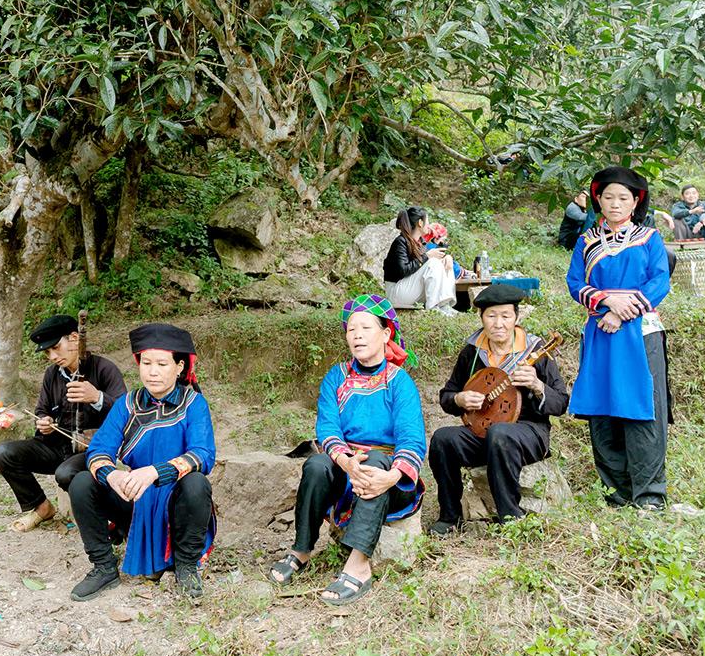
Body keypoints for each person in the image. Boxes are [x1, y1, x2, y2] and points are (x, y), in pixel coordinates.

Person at [267, 295, 425, 606]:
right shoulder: (336, 377)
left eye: (366, 327)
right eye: (351, 329)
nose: (357, 335)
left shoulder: (399, 382)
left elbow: (412, 439)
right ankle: (301, 549)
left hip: (390, 476)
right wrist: (344, 460)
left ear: (385, 334)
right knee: (315, 465)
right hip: (347, 465)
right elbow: (327, 428)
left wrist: (391, 476)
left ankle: (359, 564)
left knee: (376, 463)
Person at [68, 323, 216, 601]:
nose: (153, 371)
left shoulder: (194, 404)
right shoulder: (127, 403)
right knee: (82, 482)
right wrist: (112, 475)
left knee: (197, 483)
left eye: (162, 363)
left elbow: (203, 455)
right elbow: (99, 449)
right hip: (136, 500)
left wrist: (154, 472)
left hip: (177, 504)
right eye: (146, 363)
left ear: (179, 367)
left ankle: (186, 565)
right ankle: (104, 567)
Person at [566, 166, 672, 511]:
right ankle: (617, 490)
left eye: (623, 198)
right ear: (598, 199)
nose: (614, 203)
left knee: (642, 407)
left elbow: (659, 281)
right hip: (600, 331)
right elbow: (574, 282)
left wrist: (621, 311)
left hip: (639, 331)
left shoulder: (649, 238)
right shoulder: (586, 241)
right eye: (608, 196)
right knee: (603, 406)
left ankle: (650, 493)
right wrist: (605, 302)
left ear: (635, 202)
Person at [427, 284, 570, 535]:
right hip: (484, 432)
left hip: (528, 432)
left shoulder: (536, 351)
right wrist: (460, 399)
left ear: (516, 317)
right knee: (443, 438)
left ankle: (510, 516)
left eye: (505, 316)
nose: (498, 323)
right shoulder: (472, 352)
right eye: (491, 316)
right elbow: (447, 396)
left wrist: (537, 385)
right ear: (481, 318)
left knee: (501, 434)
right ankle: (449, 517)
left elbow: (561, 403)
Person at [0, 314, 127, 532]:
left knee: (65, 473)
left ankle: (113, 515)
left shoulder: (104, 369)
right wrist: (44, 422)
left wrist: (97, 397)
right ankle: (41, 507)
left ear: (75, 338)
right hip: (56, 447)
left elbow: (126, 412)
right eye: (47, 352)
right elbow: (41, 410)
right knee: (4, 453)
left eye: (56, 347)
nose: (53, 356)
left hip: (93, 450)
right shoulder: (52, 375)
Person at [383, 206, 457, 316]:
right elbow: (403, 270)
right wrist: (427, 256)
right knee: (433, 262)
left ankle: (444, 306)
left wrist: (447, 258)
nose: (429, 226)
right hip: (396, 292)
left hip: (409, 290)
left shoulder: (420, 242)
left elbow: (426, 264)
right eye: (428, 222)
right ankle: (433, 308)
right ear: (420, 223)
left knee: (445, 263)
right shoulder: (400, 242)